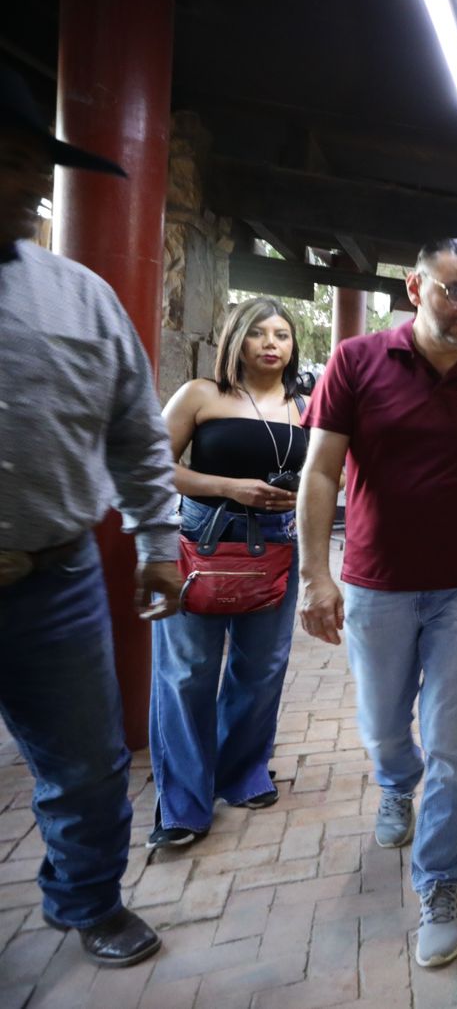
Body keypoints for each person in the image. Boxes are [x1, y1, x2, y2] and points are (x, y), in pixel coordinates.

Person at [298, 238, 457, 968]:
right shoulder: (357, 361)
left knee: (453, 743)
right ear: (414, 287)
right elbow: (321, 471)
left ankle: (439, 880)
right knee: (382, 725)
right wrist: (315, 574)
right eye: (456, 290)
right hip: (376, 585)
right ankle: (396, 783)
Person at [0, 65, 181, 967]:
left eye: (36, 162)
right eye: (11, 159)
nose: (33, 181)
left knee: (88, 760)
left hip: (54, 573)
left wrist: (159, 542)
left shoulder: (80, 297)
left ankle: (88, 899)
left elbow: (137, 434)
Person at [148, 298, 308, 848]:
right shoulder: (201, 394)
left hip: (277, 545)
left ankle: (241, 773)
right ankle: (182, 805)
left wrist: (298, 498)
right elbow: (155, 466)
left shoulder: (304, 405)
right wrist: (228, 487)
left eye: (282, 334)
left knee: (261, 668)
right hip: (201, 542)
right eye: (258, 333)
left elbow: (326, 474)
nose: (271, 343)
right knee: (187, 673)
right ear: (236, 340)